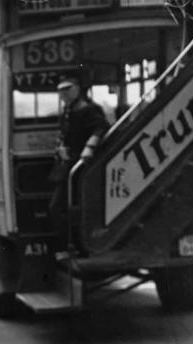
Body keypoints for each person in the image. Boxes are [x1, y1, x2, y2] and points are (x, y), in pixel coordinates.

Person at [50, 76, 109, 257]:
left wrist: (89, 148)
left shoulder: (90, 110)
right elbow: (63, 135)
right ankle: (71, 245)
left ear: (77, 89)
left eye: (67, 89)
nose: (63, 94)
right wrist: (60, 148)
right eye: (61, 91)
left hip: (85, 165)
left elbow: (101, 128)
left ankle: (78, 247)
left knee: (70, 207)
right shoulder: (66, 113)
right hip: (67, 165)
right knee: (59, 207)